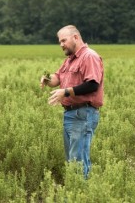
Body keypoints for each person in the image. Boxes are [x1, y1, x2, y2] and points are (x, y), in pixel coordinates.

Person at [40, 25, 104, 178]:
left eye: (64, 40)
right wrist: (48, 79)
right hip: (71, 115)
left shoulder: (89, 56)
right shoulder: (69, 60)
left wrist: (66, 92)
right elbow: (58, 78)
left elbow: (92, 84)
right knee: (72, 160)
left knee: (78, 161)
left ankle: (80, 195)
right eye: (59, 42)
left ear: (75, 37)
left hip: (83, 113)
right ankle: (76, 193)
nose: (61, 45)